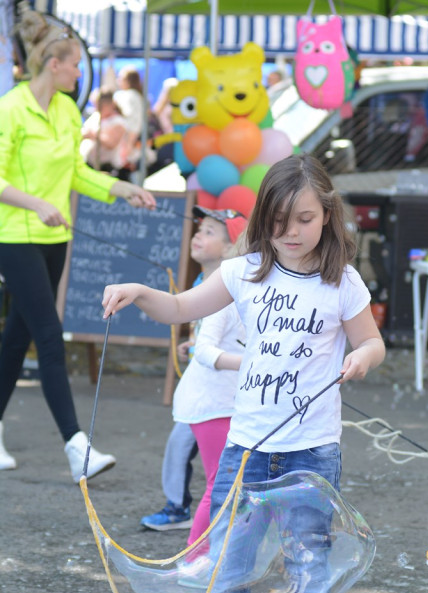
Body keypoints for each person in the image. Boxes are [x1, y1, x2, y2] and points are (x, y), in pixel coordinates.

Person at [102, 154, 385, 593]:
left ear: (326, 216)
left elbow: (373, 342)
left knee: (310, 570)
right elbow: (181, 306)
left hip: (312, 450)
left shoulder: (341, 282)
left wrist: (361, 356)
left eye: (304, 219)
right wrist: (139, 290)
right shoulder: (246, 270)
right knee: (230, 568)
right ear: (263, 220)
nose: (291, 233)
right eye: (279, 221)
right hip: (247, 447)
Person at [0, 5, 156, 481]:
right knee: (49, 335)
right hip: (14, 237)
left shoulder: (68, 110)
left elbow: (75, 172)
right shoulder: (11, 108)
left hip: (55, 238)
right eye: (74, 64)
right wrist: (33, 203)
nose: (78, 72)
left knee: (17, 338)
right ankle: (76, 446)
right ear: (54, 64)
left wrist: (120, 189)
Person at [140, 207, 247, 535]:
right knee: (198, 459)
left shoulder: (236, 286)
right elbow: (208, 336)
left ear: (232, 247)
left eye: (210, 232)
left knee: (222, 476)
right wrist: (196, 346)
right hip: (208, 393)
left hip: (224, 394)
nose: (198, 235)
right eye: (199, 229)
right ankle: (185, 516)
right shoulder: (205, 281)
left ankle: (187, 516)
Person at [80, 89, 130, 180]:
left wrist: (93, 135)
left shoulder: (118, 122)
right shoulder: (96, 116)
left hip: (106, 168)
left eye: (100, 106)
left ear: (110, 105)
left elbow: (111, 143)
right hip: (88, 164)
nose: (97, 108)